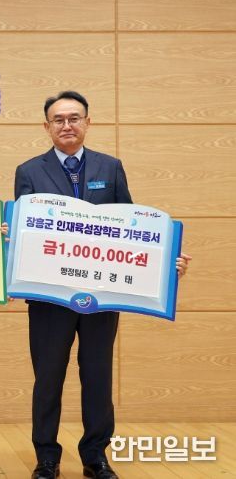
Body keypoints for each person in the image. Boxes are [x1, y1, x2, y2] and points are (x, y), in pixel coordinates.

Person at [15, 90, 191, 479]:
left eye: (74, 118)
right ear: (46, 126)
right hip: (49, 299)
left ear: (88, 122)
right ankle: (47, 457)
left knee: (97, 376)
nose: (67, 125)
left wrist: (164, 265)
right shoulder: (28, 171)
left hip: (101, 297)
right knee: (48, 378)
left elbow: (133, 228)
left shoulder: (110, 168)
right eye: (58, 120)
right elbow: (25, 235)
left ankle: (95, 456)